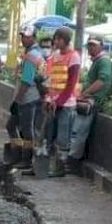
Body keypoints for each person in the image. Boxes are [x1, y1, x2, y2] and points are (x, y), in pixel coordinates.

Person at [5, 26, 45, 175]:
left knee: (26, 130)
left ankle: (25, 158)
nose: (23, 39)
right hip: (31, 97)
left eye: (26, 37)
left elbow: (27, 80)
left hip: (27, 98)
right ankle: (18, 154)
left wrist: (18, 99)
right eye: (22, 36)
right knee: (14, 126)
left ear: (33, 37)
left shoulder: (31, 55)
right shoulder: (35, 53)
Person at [70, 35, 112, 170]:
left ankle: (73, 161)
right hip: (89, 99)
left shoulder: (103, 61)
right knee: (77, 130)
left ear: (101, 46)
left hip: (92, 100)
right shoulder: (97, 61)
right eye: (89, 45)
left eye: (93, 45)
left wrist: (85, 93)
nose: (90, 48)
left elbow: (102, 81)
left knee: (78, 131)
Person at [43, 26, 82, 177]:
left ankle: (59, 167)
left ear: (65, 40)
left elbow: (71, 84)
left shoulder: (74, 57)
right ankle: (49, 164)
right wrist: (48, 98)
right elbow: (49, 80)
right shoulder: (54, 57)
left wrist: (58, 101)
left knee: (62, 137)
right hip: (52, 102)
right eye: (56, 39)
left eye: (59, 39)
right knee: (50, 135)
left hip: (66, 104)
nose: (56, 42)